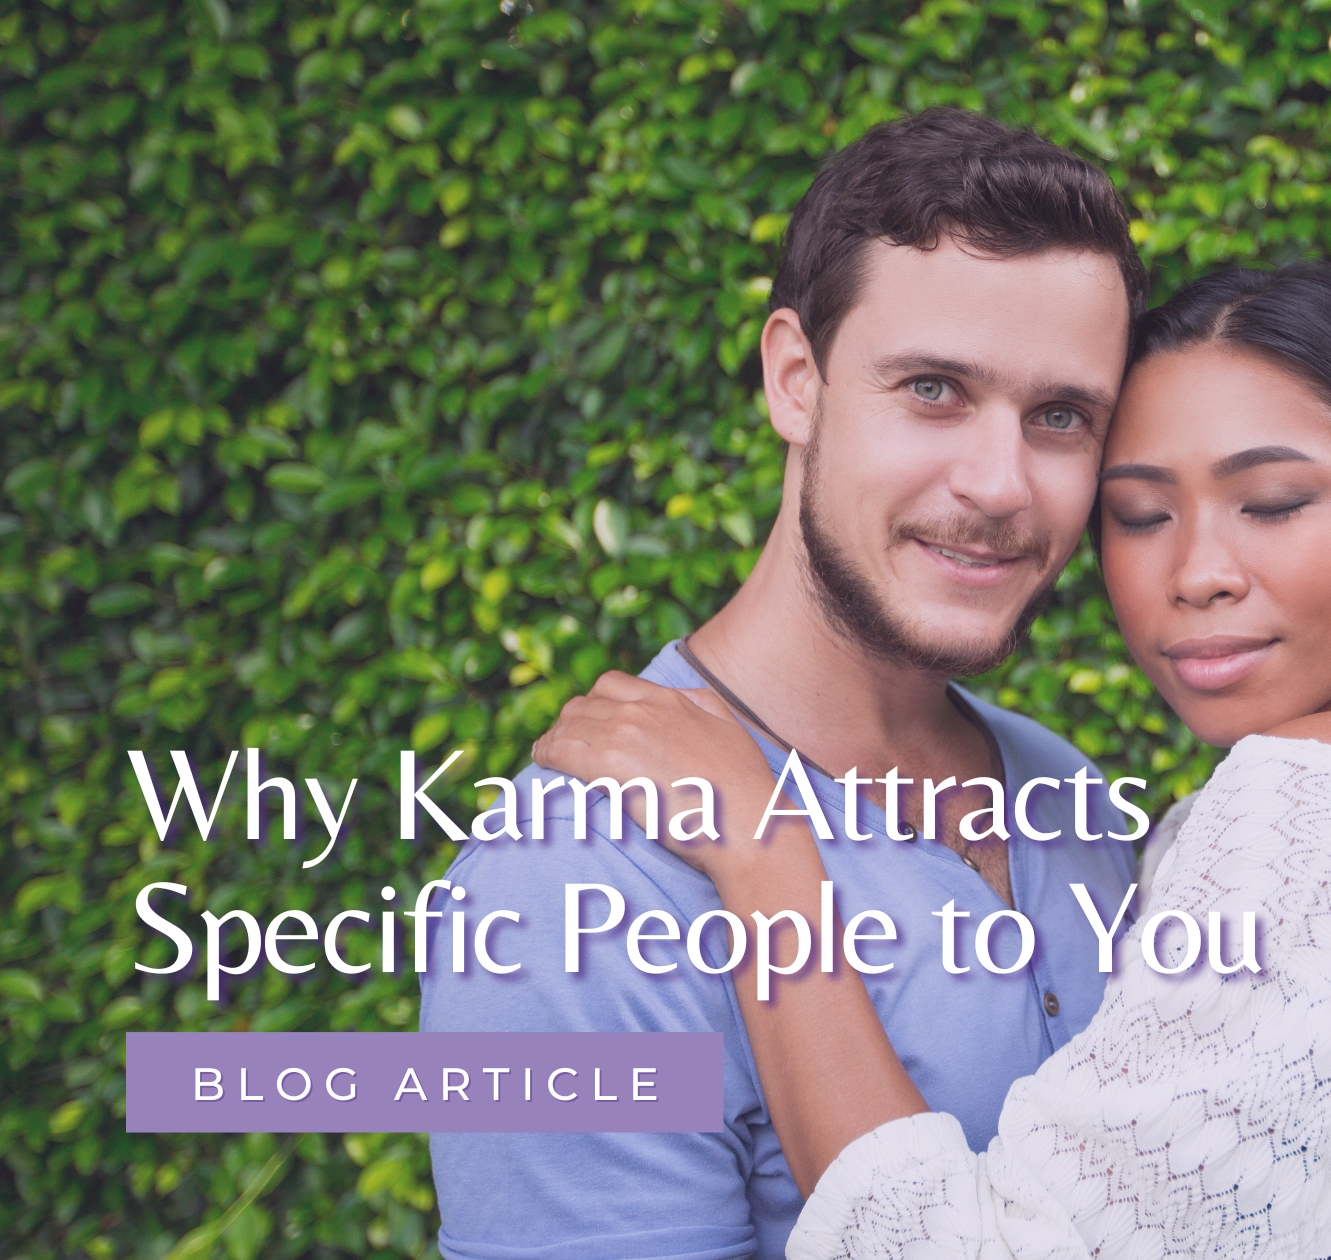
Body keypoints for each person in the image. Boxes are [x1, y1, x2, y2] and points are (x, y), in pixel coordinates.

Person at [536, 264, 1331, 1257]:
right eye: (1138, 516)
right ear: (793, 381)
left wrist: (766, 859)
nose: (1197, 573)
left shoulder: (1306, 804)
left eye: (1271, 503)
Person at [420, 108, 1151, 1260]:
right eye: (932, 390)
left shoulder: (1066, 793)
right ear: (794, 380)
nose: (1000, 483)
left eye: (1060, 416)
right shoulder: (565, 894)